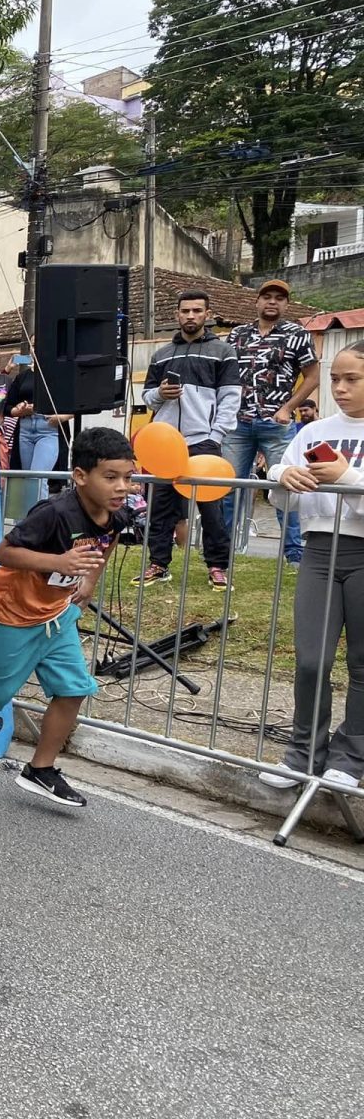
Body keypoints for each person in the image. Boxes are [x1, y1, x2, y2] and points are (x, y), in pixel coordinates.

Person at [0, 428, 137, 808]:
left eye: (128, 477)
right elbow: (4, 554)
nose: (121, 486)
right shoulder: (54, 513)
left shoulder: (116, 513)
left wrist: (89, 578)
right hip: (9, 614)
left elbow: (109, 540)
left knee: (74, 688)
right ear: (80, 476)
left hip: (56, 616)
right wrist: (59, 562)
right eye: (111, 477)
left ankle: (41, 769)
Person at [265, 342, 364, 790]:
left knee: (361, 665)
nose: (340, 389)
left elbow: (350, 486)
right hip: (320, 551)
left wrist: (347, 478)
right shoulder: (313, 431)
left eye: (352, 380)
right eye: (335, 379)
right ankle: (303, 753)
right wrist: (283, 479)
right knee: (311, 660)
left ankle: (351, 757)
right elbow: (281, 494)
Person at [136, 290, 239, 588]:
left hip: (203, 439)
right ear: (177, 315)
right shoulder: (161, 354)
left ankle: (217, 566)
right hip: (164, 442)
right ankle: (158, 563)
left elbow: (231, 397)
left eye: (197, 311)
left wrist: (216, 434)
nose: (190, 316)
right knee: (159, 507)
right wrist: (159, 394)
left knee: (211, 508)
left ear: (207, 314)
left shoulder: (223, 351)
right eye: (185, 311)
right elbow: (147, 397)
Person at [222, 279, 319, 566]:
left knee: (285, 487)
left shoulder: (297, 334)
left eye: (279, 298)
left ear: (286, 304)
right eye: (267, 296)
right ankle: (222, 554)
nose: (272, 302)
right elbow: (225, 375)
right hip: (237, 422)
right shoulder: (238, 334)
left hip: (277, 423)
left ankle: (294, 555)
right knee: (228, 489)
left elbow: (312, 377)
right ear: (257, 301)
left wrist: (289, 407)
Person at [1, 352, 71, 506]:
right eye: (33, 344)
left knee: (37, 478)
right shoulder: (23, 376)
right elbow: (6, 406)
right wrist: (19, 410)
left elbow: (78, 402)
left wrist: (62, 417)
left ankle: (39, 521)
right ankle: (31, 519)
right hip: (25, 427)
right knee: (28, 480)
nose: (36, 348)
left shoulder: (60, 373)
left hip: (48, 427)